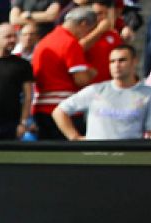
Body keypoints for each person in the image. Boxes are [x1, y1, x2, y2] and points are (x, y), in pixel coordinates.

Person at [53, 45, 151, 140]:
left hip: (129, 157)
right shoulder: (95, 90)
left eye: (122, 60)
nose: (116, 65)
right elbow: (59, 111)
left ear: (135, 61)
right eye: (112, 61)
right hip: (96, 158)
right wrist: (74, 137)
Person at [31, 7, 97, 139]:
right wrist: (90, 72)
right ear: (83, 24)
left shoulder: (45, 41)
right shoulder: (70, 43)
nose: (86, 35)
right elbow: (81, 79)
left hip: (40, 107)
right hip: (64, 110)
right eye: (89, 30)